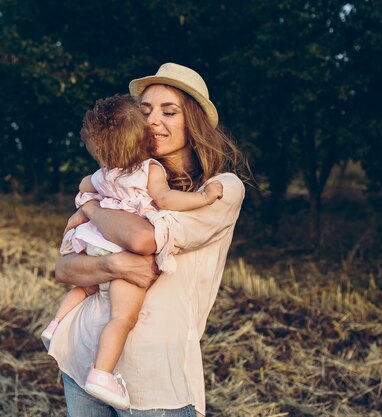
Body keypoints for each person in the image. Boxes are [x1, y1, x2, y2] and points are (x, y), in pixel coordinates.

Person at [48, 63, 246, 417]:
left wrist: (91, 208)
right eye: (145, 111)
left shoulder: (220, 189)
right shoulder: (119, 179)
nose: (153, 120)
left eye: (169, 112)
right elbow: (63, 269)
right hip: (83, 359)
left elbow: (142, 239)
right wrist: (109, 262)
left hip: (153, 378)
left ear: (194, 123)